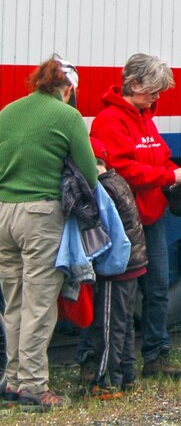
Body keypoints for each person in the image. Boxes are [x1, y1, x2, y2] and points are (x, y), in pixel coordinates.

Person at [0, 55, 98, 411]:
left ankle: (12, 382)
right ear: (67, 88)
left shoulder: (8, 111)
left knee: (13, 302)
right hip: (40, 216)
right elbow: (88, 174)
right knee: (39, 304)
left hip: (4, 213)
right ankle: (35, 389)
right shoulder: (67, 115)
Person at [90, 53, 181, 380]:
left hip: (150, 215)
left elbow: (159, 155)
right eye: (153, 91)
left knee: (157, 288)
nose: (157, 97)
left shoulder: (144, 117)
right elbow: (122, 171)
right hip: (125, 221)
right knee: (117, 294)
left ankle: (155, 356)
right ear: (134, 85)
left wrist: (172, 170)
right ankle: (100, 361)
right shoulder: (110, 121)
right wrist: (167, 177)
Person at [80, 138, 148, 398]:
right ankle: (128, 376)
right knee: (125, 323)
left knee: (108, 325)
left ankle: (106, 380)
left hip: (116, 268)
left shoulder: (102, 189)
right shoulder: (117, 181)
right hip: (134, 263)